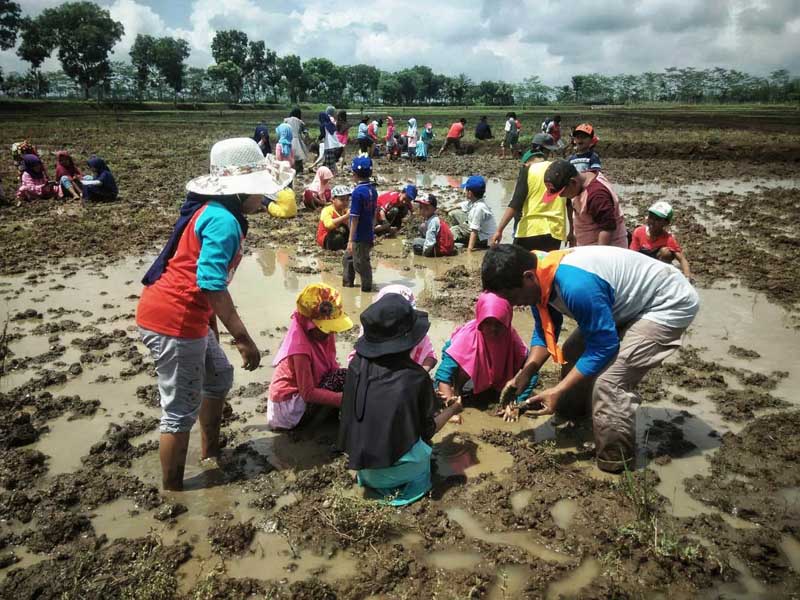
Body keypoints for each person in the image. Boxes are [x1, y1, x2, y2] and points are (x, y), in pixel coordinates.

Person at [136, 137, 288, 490]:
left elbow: (200, 277)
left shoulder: (215, 212)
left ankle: (210, 451)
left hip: (185, 315)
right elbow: (210, 283)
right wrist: (244, 338)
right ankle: (174, 491)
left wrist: (213, 331)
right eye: (259, 191)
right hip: (174, 320)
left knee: (218, 374)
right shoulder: (223, 222)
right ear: (238, 192)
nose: (263, 199)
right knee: (179, 411)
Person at [481, 244, 700, 473]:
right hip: (622, 303)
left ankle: (615, 463)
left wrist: (559, 389)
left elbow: (603, 346)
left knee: (610, 384)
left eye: (512, 297)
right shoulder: (538, 272)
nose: (514, 305)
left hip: (666, 303)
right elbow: (545, 331)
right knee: (572, 353)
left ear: (527, 277)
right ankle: (574, 417)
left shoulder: (575, 286)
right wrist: (525, 374)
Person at [338, 294, 463, 506]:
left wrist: (430, 398)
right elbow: (427, 431)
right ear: (409, 342)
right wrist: (452, 410)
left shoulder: (355, 366)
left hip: (364, 470)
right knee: (425, 448)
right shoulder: (415, 377)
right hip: (404, 475)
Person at [267, 283, 353, 430]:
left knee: (346, 376)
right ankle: (312, 428)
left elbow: (333, 366)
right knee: (340, 386)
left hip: (302, 395)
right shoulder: (300, 349)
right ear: (309, 325)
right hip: (288, 410)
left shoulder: (325, 335)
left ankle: (331, 415)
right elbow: (307, 393)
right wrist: (342, 399)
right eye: (324, 328)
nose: (330, 333)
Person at [435, 291, 530, 404]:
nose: (493, 329)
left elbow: (532, 369)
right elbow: (443, 374)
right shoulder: (467, 338)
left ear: (507, 322)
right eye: (487, 323)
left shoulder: (512, 339)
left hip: (497, 377)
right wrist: (450, 408)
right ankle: (457, 390)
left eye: (498, 323)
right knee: (460, 372)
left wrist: (517, 402)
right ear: (480, 322)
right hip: (466, 375)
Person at [491, 133, 565, 251]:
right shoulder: (561, 170)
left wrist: (499, 230)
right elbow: (571, 203)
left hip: (530, 229)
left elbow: (516, 203)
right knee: (545, 267)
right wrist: (571, 232)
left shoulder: (529, 170)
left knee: (521, 267)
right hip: (555, 231)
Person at [346, 285, 438, 372]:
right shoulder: (371, 328)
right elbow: (357, 357)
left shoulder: (416, 328)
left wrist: (420, 374)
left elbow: (430, 356)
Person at [543, 159, 627, 248]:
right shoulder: (581, 181)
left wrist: (600, 257)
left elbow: (607, 228)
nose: (561, 196)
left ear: (573, 182)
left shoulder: (596, 195)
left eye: (562, 193)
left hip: (605, 250)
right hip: (587, 247)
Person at [630, 202, 692, 280]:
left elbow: (682, 259)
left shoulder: (668, 239)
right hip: (641, 263)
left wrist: (687, 277)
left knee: (666, 252)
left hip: (659, 265)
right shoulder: (639, 232)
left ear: (666, 223)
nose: (652, 221)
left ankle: (662, 277)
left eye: (657, 220)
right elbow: (632, 254)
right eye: (651, 217)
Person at [344, 156, 377, 291]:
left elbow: (355, 217)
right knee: (348, 258)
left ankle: (367, 289)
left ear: (355, 174)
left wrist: (350, 240)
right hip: (367, 231)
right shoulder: (372, 190)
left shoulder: (358, 192)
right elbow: (374, 213)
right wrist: (372, 231)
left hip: (358, 235)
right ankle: (347, 285)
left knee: (360, 264)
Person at [448, 175, 497, 251]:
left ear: (470, 193)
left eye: (466, 190)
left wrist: (469, 250)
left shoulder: (479, 208)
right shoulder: (475, 201)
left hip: (483, 238)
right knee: (453, 213)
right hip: (477, 229)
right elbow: (462, 205)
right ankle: (458, 238)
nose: (464, 191)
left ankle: (456, 241)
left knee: (453, 230)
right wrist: (448, 209)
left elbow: (474, 231)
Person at [317, 185, 351, 251]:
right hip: (327, 237)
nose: (345, 202)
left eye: (347, 200)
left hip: (340, 233)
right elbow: (328, 225)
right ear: (333, 199)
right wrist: (345, 217)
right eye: (342, 200)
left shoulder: (345, 210)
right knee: (337, 238)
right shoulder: (327, 210)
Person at [284, 107, 310, 175]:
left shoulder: (286, 120)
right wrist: (307, 140)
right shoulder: (300, 122)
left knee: (289, 156)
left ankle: (290, 170)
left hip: (288, 139)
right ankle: (299, 171)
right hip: (297, 140)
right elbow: (306, 132)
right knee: (299, 156)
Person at [317, 107, 343, 173]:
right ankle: (336, 172)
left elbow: (322, 135)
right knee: (332, 162)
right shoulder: (331, 124)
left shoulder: (323, 125)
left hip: (329, 146)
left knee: (329, 163)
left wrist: (318, 139)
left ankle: (332, 174)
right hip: (336, 145)